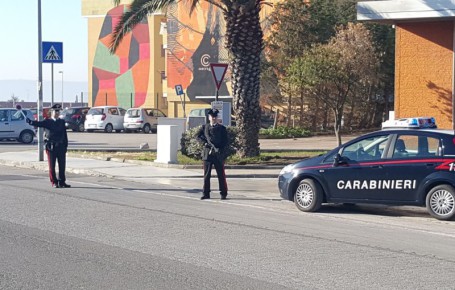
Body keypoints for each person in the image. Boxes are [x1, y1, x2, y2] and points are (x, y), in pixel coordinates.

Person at [26, 104, 70, 188]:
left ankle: (62, 181)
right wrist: (30, 122)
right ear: (51, 112)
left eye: (58, 111)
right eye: (55, 111)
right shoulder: (48, 122)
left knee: (62, 165)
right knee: (52, 166)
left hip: (60, 146)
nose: (57, 113)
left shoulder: (61, 122)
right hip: (51, 146)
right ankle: (54, 182)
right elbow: (39, 124)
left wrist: (65, 146)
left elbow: (64, 134)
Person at [196, 109, 229, 200]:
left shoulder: (222, 129)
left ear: (217, 117)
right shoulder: (204, 127)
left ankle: (223, 193)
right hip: (208, 154)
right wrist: (204, 143)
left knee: (221, 175)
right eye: (212, 116)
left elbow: (225, 141)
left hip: (218, 154)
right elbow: (198, 136)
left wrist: (219, 148)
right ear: (209, 117)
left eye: (215, 116)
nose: (213, 118)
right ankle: (206, 193)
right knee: (207, 175)